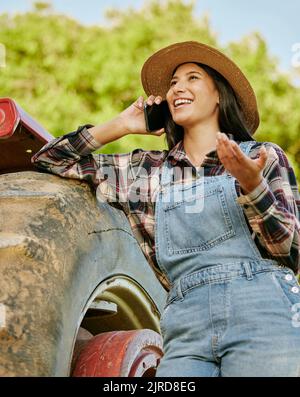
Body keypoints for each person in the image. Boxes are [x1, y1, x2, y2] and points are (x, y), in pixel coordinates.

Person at [31, 41, 300, 377]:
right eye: (173, 83)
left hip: (263, 313)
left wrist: (253, 187)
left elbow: (289, 252)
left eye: (192, 78)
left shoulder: (262, 156)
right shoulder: (144, 171)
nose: (178, 88)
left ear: (219, 94)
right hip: (185, 326)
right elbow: (48, 159)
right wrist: (121, 125)